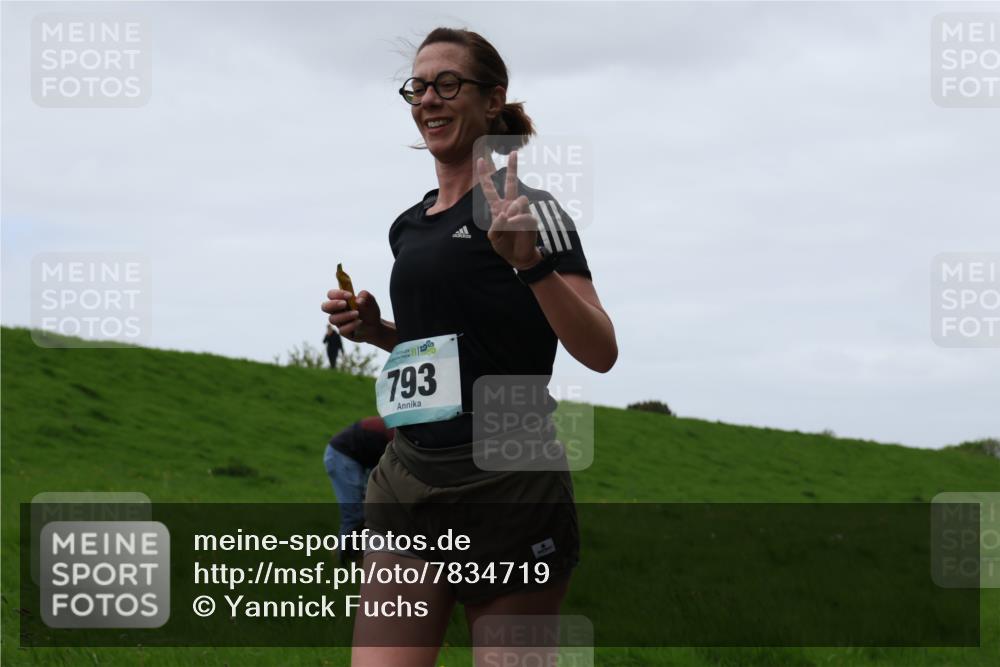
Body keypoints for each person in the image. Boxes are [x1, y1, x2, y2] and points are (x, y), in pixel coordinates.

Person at [321, 27, 617, 667]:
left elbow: (600, 349)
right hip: (410, 479)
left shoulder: (531, 210)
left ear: (493, 100)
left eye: (448, 83)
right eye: (418, 86)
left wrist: (531, 264)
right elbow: (448, 351)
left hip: (509, 485)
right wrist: (377, 332)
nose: (429, 98)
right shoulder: (409, 225)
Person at [323, 417, 394, 563]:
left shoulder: (398, 431)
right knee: (355, 515)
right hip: (343, 458)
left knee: (365, 513)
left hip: (353, 459)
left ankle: (350, 555)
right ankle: (341, 561)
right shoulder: (400, 436)